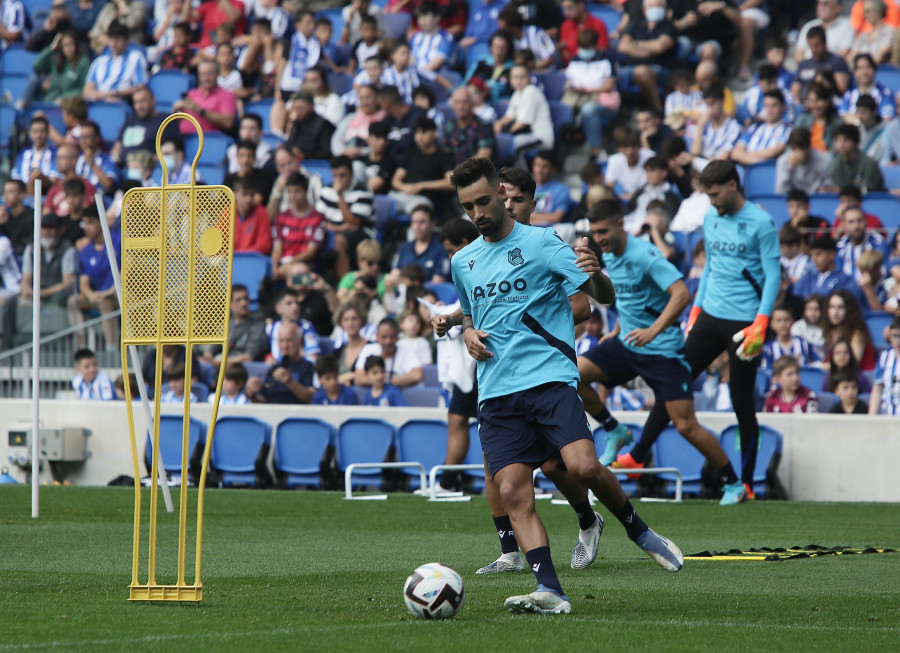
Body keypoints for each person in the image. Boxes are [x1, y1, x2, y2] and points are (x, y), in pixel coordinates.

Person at [448, 157, 682, 615]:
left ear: (500, 193)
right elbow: (471, 311)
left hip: (549, 379)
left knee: (584, 468)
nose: (476, 213)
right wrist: (469, 332)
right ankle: (551, 591)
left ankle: (639, 530)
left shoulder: (541, 242)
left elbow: (601, 297)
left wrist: (594, 272)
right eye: (467, 206)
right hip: (496, 391)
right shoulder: (463, 260)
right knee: (514, 491)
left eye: (482, 201)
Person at [614, 161, 780, 500]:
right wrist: (696, 311)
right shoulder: (711, 218)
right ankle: (636, 454)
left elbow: (774, 276)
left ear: (733, 185)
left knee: (741, 400)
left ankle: (745, 482)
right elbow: (709, 270)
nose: (712, 202)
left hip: (745, 324)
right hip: (709, 317)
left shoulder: (761, 222)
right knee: (675, 382)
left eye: (716, 194)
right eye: (707, 196)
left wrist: (761, 321)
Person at [581, 199, 745, 504]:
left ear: (620, 225)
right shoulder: (609, 255)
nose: (599, 238)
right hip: (627, 344)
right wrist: (615, 332)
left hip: (663, 352)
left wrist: (652, 331)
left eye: (603, 231)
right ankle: (614, 429)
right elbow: (633, 301)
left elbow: (681, 294)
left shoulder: (645, 255)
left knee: (685, 426)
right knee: (572, 373)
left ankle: (734, 483)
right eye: (594, 232)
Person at [316, 155, 376, 279]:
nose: (338, 180)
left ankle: (344, 286)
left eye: (343, 175)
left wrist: (339, 196)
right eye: (335, 176)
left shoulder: (363, 192)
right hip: (335, 229)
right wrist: (338, 228)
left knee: (339, 241)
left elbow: (353, 222)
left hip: (361, 233)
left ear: (352, 174)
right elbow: (318, 220)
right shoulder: (326, 190)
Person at [67, 208, 119, 349]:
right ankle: (81, 348)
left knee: (105, 302)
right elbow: (84, 281)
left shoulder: (118, 240)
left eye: (90, 222)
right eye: (84, 223)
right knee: (73, 301)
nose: (86, 227)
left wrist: (110, 292)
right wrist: (91, 295)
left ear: (101, 222)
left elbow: (127, 269)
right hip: (98, 296)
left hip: (121, 295)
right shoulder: (84, 251)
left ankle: (111, 349)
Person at [245, 321, 316, 404]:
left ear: (299, 341)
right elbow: (263, 400)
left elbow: (312, 398)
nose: (285, 346)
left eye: (289, 340)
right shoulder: (274, 368)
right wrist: (252, 394)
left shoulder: (309, 367)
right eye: (281, 341)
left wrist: (290, 382)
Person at [271, 172, 325, 278]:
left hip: (305, 264)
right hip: (283, 264)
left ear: (306, 191)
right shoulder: (281, 217)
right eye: (290, 192)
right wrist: (274, 267)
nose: (293, 196)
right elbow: (277, 248)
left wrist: (290, 264)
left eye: (297, 191)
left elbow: (311, 251)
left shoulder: (318, 218)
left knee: (297, 272)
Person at [354, 317, 431, 388]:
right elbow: (358, 378)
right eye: (384, 337)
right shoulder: (368, 349)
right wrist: (382, 381)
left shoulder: (407, 351)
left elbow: (417, 375)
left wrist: (389, 381)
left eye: (392, 337)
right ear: (376, 336)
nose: (388, 341)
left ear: (398, 336)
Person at [494, 64, 554, 155]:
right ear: (510, 80)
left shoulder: (530, 91)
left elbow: (523, 123)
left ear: (529, 78)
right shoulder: (517, 92)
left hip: (540, 137)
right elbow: (509, 116)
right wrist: (498, 124)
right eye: (515, 77)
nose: (519, 80)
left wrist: (504, 136)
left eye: (522, 77)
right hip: (526, 134)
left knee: (510, 144)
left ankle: (516, 169)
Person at [83, 21, 148, 102]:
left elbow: (141, 87)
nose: (113, 44)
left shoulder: (135, 57)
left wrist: (118, 94)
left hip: (123, 103)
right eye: (111, 40)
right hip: (99, 102)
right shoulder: (99, 61)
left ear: (127, 41)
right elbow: (87, 89)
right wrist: (104, 96)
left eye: (118, 40)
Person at [388, 204, 450, 284]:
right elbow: (394, 277)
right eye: (414, 222)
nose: (417, 226)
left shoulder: (442, 249)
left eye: (422, 222)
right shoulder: (404, 248)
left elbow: (438, 282)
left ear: (433, 223)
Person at [172, 60, 237, 135]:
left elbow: (228, 123)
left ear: (217, 74)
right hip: (184, 138)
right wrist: (175, 111)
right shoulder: (191, 94)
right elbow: (180, 120)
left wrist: (201, 111)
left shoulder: (227, 95)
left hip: (209, 140)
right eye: (202, 74)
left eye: (209, 74)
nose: (206, 78)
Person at [730, 90, 791, 167]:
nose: (770, 110)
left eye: (774, 105)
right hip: (750, 170)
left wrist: (746, 156)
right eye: (767, 105)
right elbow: (735, 154)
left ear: (783, 107)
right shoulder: (753, 128)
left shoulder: (788, 129)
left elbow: (776, 151)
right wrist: (758, 160)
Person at [622, 156, 680, 235]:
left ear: (664, 173)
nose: (649, 175)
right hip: (632, 229)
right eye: (647, 171)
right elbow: (628, 211)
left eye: (652, 171)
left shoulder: (671, 197)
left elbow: (670, 219)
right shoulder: (640, 192)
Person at [792, 26, 851, 102]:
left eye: (817, 45)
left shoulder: (837, 62)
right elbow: (795, 92)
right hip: (805, 105)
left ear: (824, 42)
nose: (814, 49)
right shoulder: (804, 64)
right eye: (811, 46)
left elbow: (842, 91)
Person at [792, 234, 859, 300]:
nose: (814, 259)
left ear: (831, 254)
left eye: (818, 254)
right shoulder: (806, 280)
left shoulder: (845, 281)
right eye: (812, 255)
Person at [110, 86, 166, 166]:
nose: (139, 106)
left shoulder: (163, 121)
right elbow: (118, 145)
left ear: (153, 101)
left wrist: (148, 162)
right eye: (136, 102)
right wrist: (115, 156)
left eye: (143, 101)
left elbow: (168, 150)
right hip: (122, 167)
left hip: (146, 169)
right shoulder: (130, 120)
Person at [31, 30, 90, 104]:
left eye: (71, 44)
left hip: (70, 104)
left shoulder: (83, 62)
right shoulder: (56, 61)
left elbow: (83, 89)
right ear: (61, 48)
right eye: (65, 45)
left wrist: (64, 98)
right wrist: (51, 48)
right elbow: (36, 66)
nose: (69, 49)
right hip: (50, 102)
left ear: (76, 45)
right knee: (34, 78)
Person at [442, 87, 495, 167]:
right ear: (452, 105)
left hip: (478, 173)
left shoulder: (484, 126)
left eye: (465, 102)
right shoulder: (449, 125)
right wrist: (448, 172)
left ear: (472, 103)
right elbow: (446, 152)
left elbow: (483, 158)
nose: (461, 106)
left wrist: (458, 173)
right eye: (457, 102)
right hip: (453, 174)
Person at [824, 124, 885, 192]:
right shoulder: (835, 164)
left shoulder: (869, 164)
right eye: (838, 140)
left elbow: (867, 190)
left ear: (855, 142)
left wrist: (840, 190)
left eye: (846, 140)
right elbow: (835, 188)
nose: (841, 144)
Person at [824, 289, 876, 369]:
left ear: (849, 310)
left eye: (840, 307)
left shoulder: (858, 333)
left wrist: (821, 366)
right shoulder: (831, 332)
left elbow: (852, 364)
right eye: (832, 307)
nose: (835, 312)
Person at [760, 304, 821, 370]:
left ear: (793, 321)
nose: (783, 324)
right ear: (772, 324)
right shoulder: (768, 349)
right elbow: (766, 372)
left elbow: (818, 363)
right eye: (778, 320)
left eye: (786, 320)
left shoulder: (804, 343)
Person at [11, 115, 59, 196]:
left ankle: (29, 202)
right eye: (35, 132)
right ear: (30, 133)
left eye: (42, 131)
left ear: (47, 133)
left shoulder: (55, 153)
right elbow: (17, 177)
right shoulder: (23, 153)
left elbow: (54, 179)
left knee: (36, 175)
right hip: (23, 190)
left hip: (46, 190)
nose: (38, 135)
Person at [775, 128, 830, 195]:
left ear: (809, 146)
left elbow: (829, 189)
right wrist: (790, 167)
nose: (798, 153)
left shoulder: (826, 159)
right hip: (794, 200)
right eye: (794, 149)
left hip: (818, 199)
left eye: (802, 148)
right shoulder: (783, 160)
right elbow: (780, 191)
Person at [605, 126, 654, 199]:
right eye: (625, 147)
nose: (630, 151)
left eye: (633, 146)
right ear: (619, 149)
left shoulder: (650, 156)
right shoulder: (614, 160)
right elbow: (609, 186)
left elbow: (656, 183)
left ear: (638, 145)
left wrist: (634, 197)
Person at [332, 302, 373, 385]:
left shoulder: (371, 347)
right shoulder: (337, 352)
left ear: (361, 321)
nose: (350, 323)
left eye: (354, 319)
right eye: (346, 320)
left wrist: (352, 376)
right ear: (341, 323)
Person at [0, 179, 35, 259]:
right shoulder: (5, 217)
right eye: (5, 192)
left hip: (27, 257)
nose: (6, 196)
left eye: (11, 192)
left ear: (22, 195)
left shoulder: (32, 216)